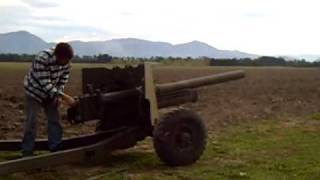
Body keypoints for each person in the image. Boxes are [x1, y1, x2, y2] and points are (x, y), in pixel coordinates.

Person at [22, 42, 75, 157]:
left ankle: (55, 148)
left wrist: (58, 95)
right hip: (34, 92)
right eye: (64, 61)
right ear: (57, 56)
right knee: (31, 122)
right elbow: (45, 84)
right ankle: (27, 151)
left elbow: (62, 81)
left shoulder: (67, 63)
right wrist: (64, 97)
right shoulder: (42, 59)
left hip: (51, 94)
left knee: (54, 120)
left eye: (68, 61)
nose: (66, 63)